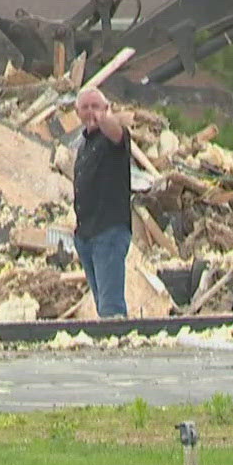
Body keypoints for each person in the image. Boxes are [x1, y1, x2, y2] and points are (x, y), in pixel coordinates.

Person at [72, 86, 133, 317]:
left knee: (111, 307)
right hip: (86, 235)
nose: (90, 112)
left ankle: (117, 346)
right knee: (101, 304)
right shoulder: (84, 144)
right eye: (85, 107)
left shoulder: (113, 140)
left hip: (109, 232)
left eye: (95, 106)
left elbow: (117, 132)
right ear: (77, 112)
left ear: (107, 109)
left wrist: (103, 118)